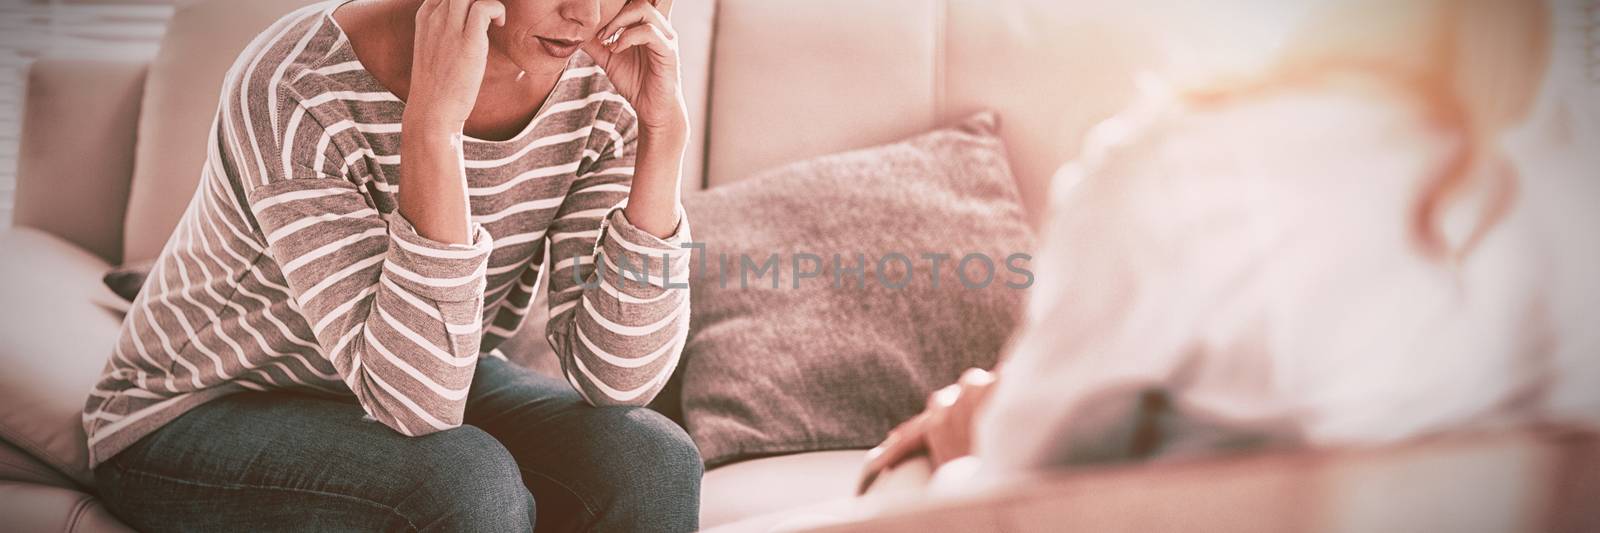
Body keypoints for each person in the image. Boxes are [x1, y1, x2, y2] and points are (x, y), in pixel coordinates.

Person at [862, 0, 1599, 489]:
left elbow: (1017, 471)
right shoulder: (1567, 173)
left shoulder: (1175, 169)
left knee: (911, 469)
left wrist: (970, 428)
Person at [82, 0, 703, 530]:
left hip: (429, 363)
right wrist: (433, 125)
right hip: (203, 404)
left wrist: (662, 129)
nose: (585, 15)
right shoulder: (295, 84)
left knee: (652, 458)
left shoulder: (599, 69)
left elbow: (620, 379)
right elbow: (417, 407)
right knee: (462, 483)